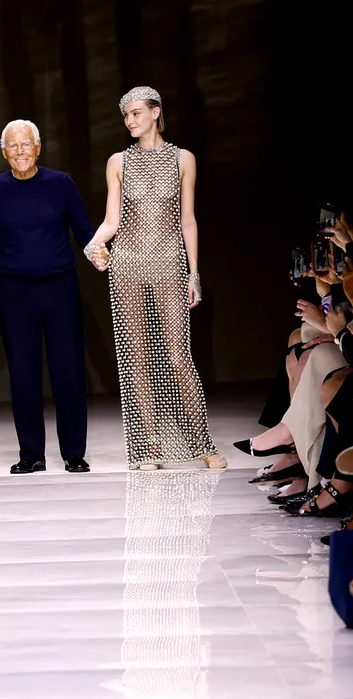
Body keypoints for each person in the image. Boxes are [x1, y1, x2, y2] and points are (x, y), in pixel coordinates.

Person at [85, 86, 227, 470]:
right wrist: (93, 245)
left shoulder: (183, 159)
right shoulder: (118, 161)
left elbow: (188, 220)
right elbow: (111, 221)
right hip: (128, 263)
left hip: (168, 262)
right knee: (137, 358)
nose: (129, 120)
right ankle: (148, 448)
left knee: (179, 356)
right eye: (125, 115)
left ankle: (203, 443)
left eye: (135, 113)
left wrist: (193, 273)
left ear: (155, 112)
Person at [0, 119, 93, 475]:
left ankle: (74, 453)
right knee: (23, 374)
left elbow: (84, 231)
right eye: (12, 146)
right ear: (4, 152)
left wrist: (99, 252)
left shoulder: (61, 184)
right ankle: (31, 454)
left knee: (68, 371)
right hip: (15, 292)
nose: (20, 151)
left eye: (26, 144)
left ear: (38, 148)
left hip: (60, 288)